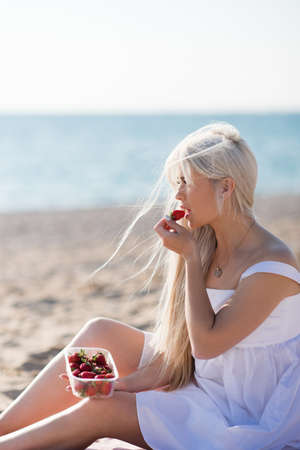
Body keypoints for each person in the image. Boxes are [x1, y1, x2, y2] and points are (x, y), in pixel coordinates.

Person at [0, 122, 299, 450]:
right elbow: (181, 356)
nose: (178, 195)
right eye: (177, 183)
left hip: (239, 415)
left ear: (225, 188)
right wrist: (120, 385)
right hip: (208, 382)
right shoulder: (208, 242)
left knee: (102, 410)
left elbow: (206, 346)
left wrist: (191, 261)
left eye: (185, 182)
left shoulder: (272, 265)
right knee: (101, 332)